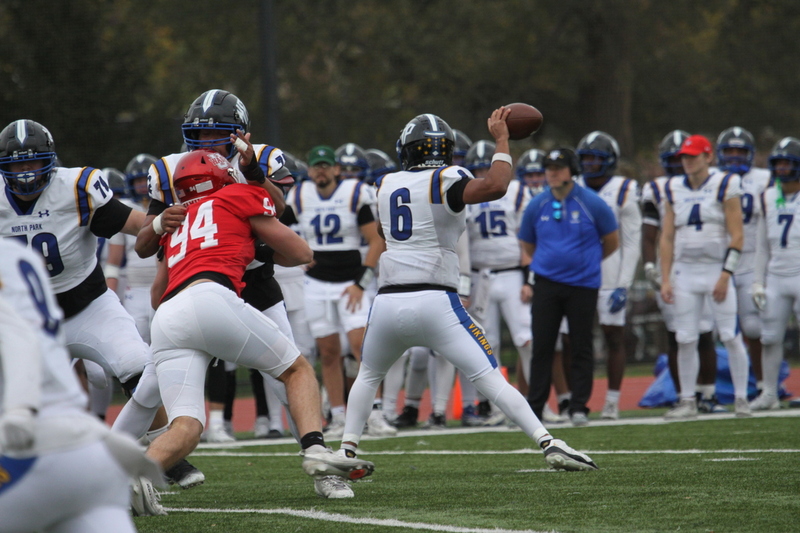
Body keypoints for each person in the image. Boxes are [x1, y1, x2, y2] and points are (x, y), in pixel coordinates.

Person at [338, 109, 598, 483]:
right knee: (489, 377)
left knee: (367, 376)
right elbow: (496, 186)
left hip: (388, 302)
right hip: (435, 301)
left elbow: (384, 230)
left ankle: (347, 450)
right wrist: (502, 139)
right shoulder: (448, 177)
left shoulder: (385, 183)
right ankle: (548, 442)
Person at [144, 149, 374, 508]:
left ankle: (127, 480)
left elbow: (157, 295)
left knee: (186, 427)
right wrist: (255, 246)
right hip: (212, 297)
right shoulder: (237, 194)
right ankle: (315, 450)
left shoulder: (176, 219)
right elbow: (302, 253)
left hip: (168, 316)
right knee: (297, 371)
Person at [0, 119, 170, 447]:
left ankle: (168, 457)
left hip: (90, 306)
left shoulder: (76, 187)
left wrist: (162, 223)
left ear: (50, 161)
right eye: (17, 163)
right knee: (18, 405)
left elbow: (134, 223)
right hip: (28, 318)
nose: (25, 171)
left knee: (142, 371)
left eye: (33, 162)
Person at [0, 238, 162, 529]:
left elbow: (15, 334)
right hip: (85, 451)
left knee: (137, 367)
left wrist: (19, 410)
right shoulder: (23, 256)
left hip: (28, 447)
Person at [282, 145, 392, 439]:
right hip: (316, 283)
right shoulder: (299, 195)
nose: (320, 171)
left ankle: (375, 412)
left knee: (363, 348)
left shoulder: (354, 193)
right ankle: (338, 416)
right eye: (315, 166)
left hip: (349, 282)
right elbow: (279, 229)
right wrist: (297, 255)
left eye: (325, 166)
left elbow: (376, 241)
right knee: (328, 353)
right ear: (309, 171)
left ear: (336, 169)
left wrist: (360, 283)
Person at [519, 147, 620, 426]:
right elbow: (527, 242)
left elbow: (612, 240)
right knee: (542, 346)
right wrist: (546, 263)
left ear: (572, 171)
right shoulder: (537, 204)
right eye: (548, 168)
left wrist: (587, 262)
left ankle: (578, 406)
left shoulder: (592, 202)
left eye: (558, 168)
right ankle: (535, 407)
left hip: (582, 284)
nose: (552, 173)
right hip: (546, 283)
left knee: (580, 345)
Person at [659, 134, 751, 418]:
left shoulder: (725, 183)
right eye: (684, 157)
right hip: (685, 272)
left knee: (730, 335)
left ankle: (742, 398)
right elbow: (667, 237)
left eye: (693, 156)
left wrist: (725, 274)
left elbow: (737, 235)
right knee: (685, 338)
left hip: (715, 269)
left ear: (708, 156)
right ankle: (688, 400)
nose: (687, 162)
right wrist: (665, 278)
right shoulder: (673, 187)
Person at [641, 131, 723, 413]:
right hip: (672, 268)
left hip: (703, 264)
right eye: (675, 160)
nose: (680, 165)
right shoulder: (657, 188)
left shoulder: (714, 182)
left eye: (685, 159)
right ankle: (683, 396)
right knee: (678, 333)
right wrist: (650, 266)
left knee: (706, 331)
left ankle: (708, 394)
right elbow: (650, 233)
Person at [464, 139, 532, 426]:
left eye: (486, 168)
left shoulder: (516, 191)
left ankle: (535, 400)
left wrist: (530, 278)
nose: (482, 174)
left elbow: (528, 237)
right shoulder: (464, 191)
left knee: (526, 338)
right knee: (486, 342)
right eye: (478, 169)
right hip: (480, 278)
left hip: (513, 273)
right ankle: (497, 407)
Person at [576, 131, 642, 420]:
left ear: (610, 161)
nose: (590, 164)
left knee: (614, 337)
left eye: (596, 158)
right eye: (586, 158)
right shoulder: (571, 185)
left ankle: (612, 401)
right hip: (576, 274)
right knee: (573, 340)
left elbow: (631, 242)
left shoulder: (625, 188)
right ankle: (573, 401)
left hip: (611, 274)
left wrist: (624, 285)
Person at [717, 127, 771, 395]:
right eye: (729, 151)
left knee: (753, 326)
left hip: (751, 260)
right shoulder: (713, 179)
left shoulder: (764, 179)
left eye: (740, 151)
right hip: (719, 261)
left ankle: (762, 385)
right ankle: (708, 390)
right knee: (715, 328)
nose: (735, 156)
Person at [750, 136, 800, 410]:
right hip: (776, 276)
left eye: (787, 163)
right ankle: (769, 393)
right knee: (769, 337)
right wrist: (758, 282)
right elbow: (761, 246)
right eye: (778, 163)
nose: (781, 168)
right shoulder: (768, 196)